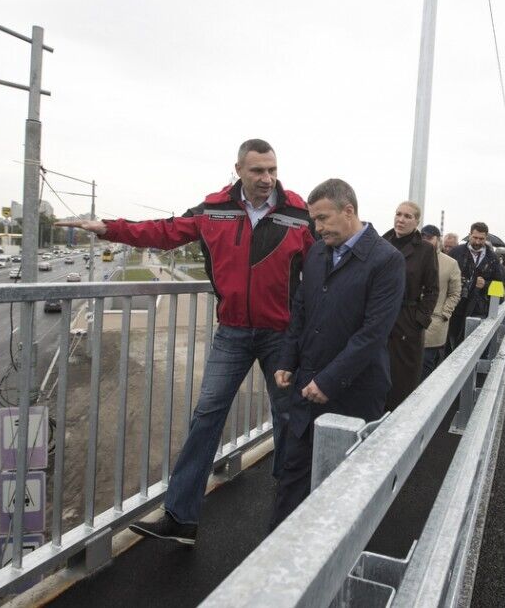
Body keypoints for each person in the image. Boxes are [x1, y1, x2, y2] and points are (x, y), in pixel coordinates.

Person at [56, 138, 313, 545]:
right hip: (231, 331)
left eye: (272, 170)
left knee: (287, 420)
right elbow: (164, 233)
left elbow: (329, 260)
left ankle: (289, 513)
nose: (267, 179)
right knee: (206, 418)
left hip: (281, 335)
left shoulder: (299, 212)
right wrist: (109, 228)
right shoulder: (214, 209)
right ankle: (181, 517)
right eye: (258, 171)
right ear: (239, 170)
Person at [270, 179, 405, 529]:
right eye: (314, 220)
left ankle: (335, 573)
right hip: (306, 389)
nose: (317, 228)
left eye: (323, 219)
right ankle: (275, 568)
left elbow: (373, 334)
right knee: (292, 478)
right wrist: (287, 359)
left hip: (354, 395)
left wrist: (329, 381)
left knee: (345, 492)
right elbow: (300, 309)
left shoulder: (386, 260)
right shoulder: (317, 252)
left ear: (349, 211)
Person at [382, 201, 438, 410]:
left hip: (407, 320)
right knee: (376, 374)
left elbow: (433, 289)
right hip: (380, 317)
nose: (401, 219)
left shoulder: (424, 250)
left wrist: (419, 320)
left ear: (417, 222)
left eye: (407, 216)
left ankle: (399, 427)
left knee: (402, 380)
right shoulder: (381, 242)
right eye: (398, 214)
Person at [446, 222, 505, 349]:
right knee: (450, 343)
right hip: (455, 306)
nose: (478, 242)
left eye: (481, 239)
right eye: (475, 237)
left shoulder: (493, 258)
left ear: (486, 238)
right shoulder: (456, 252)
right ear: (469, 235)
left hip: (477, 309)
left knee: (469, 345)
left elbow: (502, 287)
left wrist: (485, 284)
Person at [419, 225, 461, 380]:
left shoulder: (450, 264)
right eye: (423, 237)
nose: (426, 241)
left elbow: (455, 293)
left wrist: (445, 313)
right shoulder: (411, 257)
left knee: (426, 364)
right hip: (409, 321)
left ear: (438, 240)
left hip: (434, 321)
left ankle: (424, 402)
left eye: (429, 238)